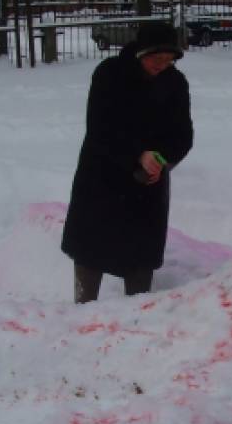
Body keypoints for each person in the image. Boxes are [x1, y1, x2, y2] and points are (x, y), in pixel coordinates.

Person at [61, 22, 194, 303]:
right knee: (90, 248)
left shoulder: (175, 83)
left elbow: (183, 135)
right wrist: (137, 154)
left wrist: (162, 159)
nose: (162, 65)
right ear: (141, 51)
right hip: (102, 177)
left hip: (147, 184)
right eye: (157, 58)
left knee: (140, 255)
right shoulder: (109, 74)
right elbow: (100, 127)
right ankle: (81, 312)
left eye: (168, 60)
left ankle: (138, 312)